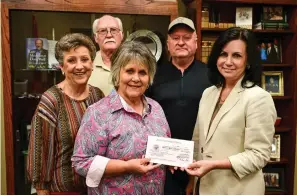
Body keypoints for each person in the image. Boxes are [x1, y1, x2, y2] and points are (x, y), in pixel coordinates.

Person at [71, 41, 171, 195]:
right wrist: (126, 166)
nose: (136, 78)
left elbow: (165, 147)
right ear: (117, 73)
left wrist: (173, 160)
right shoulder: (98, 113)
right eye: (129, 71)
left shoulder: (156, 108)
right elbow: (81, 163)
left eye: (142, 72)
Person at [186, 27, 277, 194]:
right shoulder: (209, 93)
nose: (228, 61)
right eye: (223, 54)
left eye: (236, 56)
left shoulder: (258, 98)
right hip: (204, 187)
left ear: (248, 61)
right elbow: (198, 141)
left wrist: (215, 164)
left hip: (237, 190)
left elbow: (259, 155)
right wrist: (188, 172)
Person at [27, 33, 104, 195]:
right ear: (61, 67)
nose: (79, 66)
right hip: (62, 191)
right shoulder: (52, 100)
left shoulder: (98, 96)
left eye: (84, 59)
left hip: (96, 188)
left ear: (91, 64)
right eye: (71, 60)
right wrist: (41, 189)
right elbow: (40, 151)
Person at [146, 17, 210, 195]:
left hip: (202, 159)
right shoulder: (153, 75)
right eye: (175, 38)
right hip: (163, 160)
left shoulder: (211, 75)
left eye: (187, 37)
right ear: (168, 44)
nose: (181, 42)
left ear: (196, 43)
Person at [88, 15, 124, 96]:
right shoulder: (87, 64)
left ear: (121, 35)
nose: (109, 35)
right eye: (103, 31)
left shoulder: (132, 62)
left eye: (114, 30)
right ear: (96, 38)